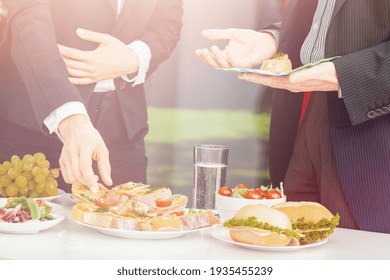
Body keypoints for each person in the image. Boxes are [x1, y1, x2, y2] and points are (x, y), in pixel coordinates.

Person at [196, 0, 390, 234]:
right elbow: (323, 21)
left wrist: (343, 75)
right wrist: (273, 39)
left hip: (373, 129)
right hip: (308, 115)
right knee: (295, 244)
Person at [0, 0, 183, 193]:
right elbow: (27, 18)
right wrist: (70, 117)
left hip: (124, 128)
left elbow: (167, 19)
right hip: (34, 123)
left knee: (128, 219)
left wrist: (133, 57)